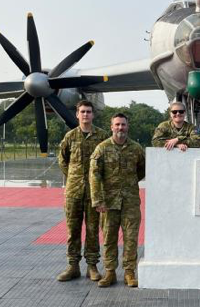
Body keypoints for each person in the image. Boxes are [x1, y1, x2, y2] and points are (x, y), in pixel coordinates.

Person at [56, 100, 109, 282]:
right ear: (77, 114)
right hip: (74, 192)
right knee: (73, 230)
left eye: (88, 112)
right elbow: (63, 160)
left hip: (95, 192)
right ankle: (73, 265)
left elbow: (107, 161)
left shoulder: (102, 136)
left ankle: (92, 266)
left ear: (93, 115)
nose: (85, 115)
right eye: (82, 112)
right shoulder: (70, 137)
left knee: (93, 230)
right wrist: (73, 177)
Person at [91, 113, 146, 288]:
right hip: (108, 202)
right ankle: (110, 272)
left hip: (130, 201)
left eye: (123, 125)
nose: (120, 128)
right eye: (117, 125)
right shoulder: (102, 148)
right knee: (109, 238)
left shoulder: (136, 149)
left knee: (131, 238)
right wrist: (98, 199)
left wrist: (128, 185)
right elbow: (94, 175)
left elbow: (142, 170)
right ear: (111, 127)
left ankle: (129, 272)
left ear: (127, 126)